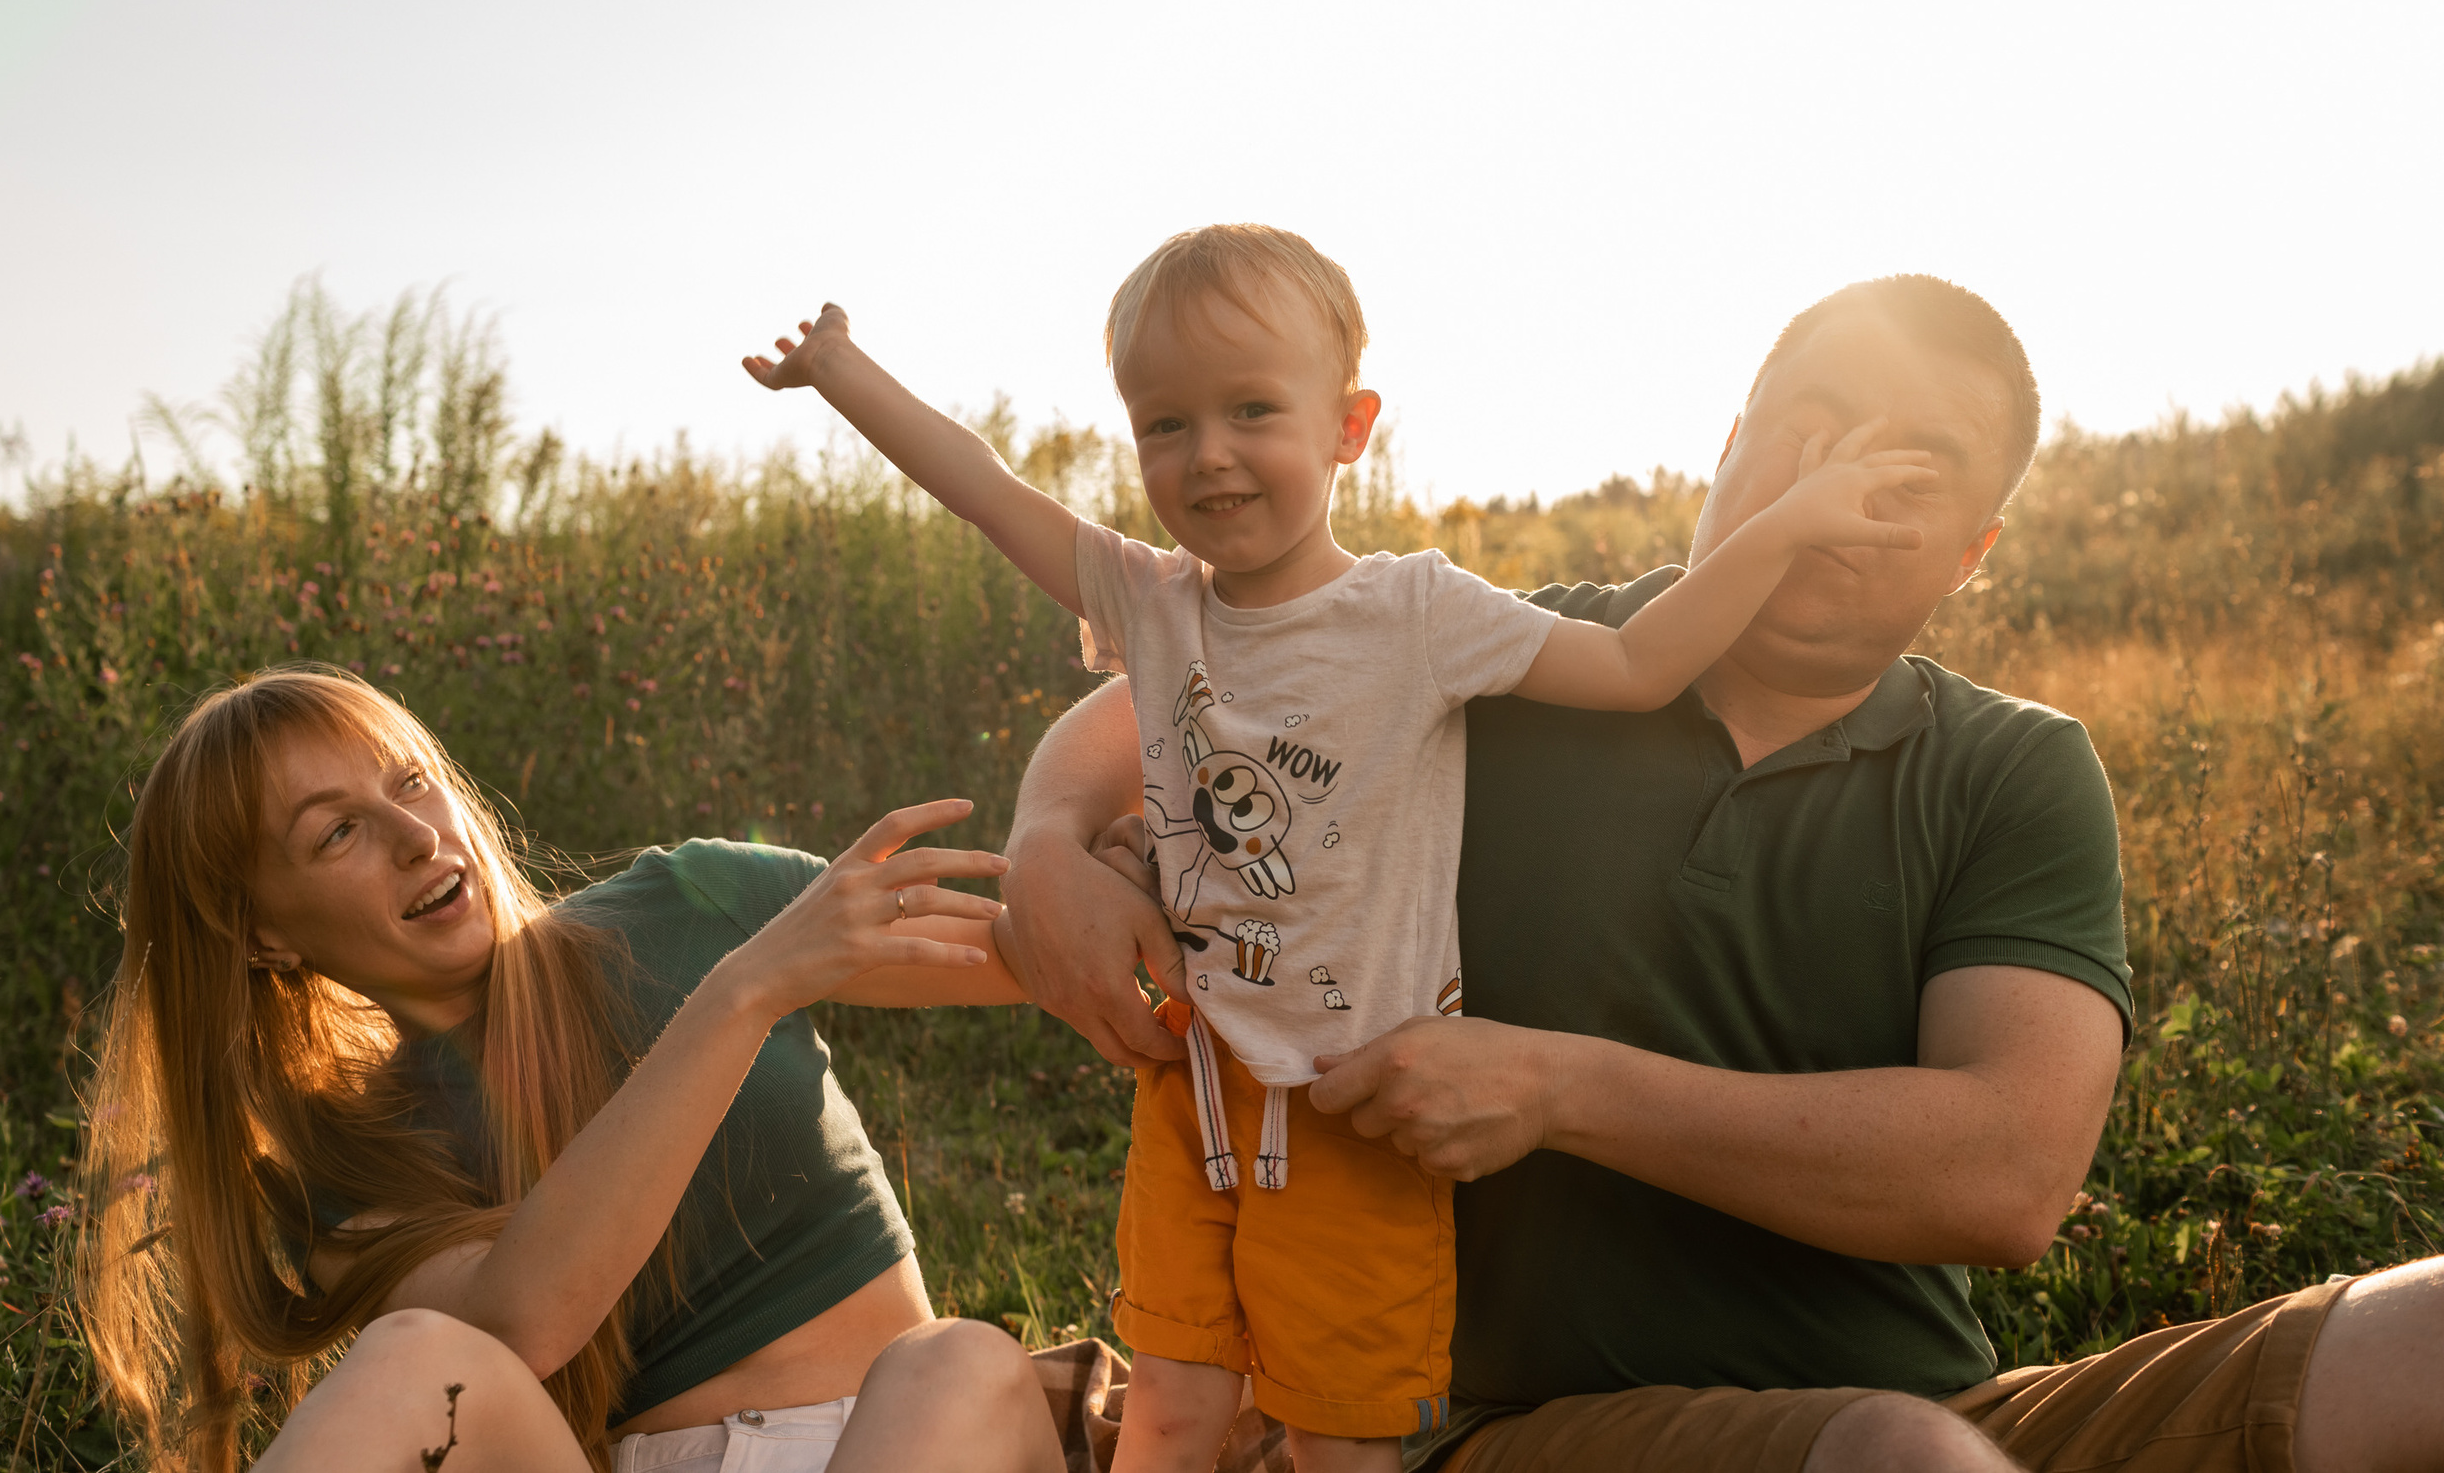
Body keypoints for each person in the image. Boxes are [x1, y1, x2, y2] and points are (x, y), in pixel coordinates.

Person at [996, 274, 2444, 1473]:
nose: (1834, 490)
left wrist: (1558, 1087)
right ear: (1730, 442)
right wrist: (1049, 841)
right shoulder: (1513, 660)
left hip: (1957, 1417)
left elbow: (2007, 1169)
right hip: (1516, 1426)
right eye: (1808, 432)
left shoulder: (2012, 766)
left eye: (1907, 470)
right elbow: (1182, 688)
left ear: (1972, 551)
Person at [740, 225, 1935, 1473]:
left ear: (1348, 426)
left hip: (1356, 1102)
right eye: (1165, 424)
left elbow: (1639, 665)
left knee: (1339, 1434)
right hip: (1195, 1080)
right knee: (1169, 1404)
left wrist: (1783, 526)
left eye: (1252, 410)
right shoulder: (1151, 602)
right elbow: (985, 489)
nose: (1209, 454)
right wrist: (840, 372)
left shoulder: (1416, 613)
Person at [77, 666, 1066, 1473]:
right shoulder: (347, 1160)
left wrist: (1091, 846)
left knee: (959, 1362)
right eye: (337, 832)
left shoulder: (692, 902)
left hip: (912, 1440)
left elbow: (1054, 961)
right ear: (263, 936)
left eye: (410, 781)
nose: (417, 837)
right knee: (414, 1357)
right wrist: (740, 996)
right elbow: (517, 1325)